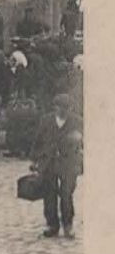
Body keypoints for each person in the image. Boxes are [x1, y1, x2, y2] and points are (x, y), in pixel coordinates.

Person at [33, 93, 82, 239]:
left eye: (65, 108)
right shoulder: (46, 120)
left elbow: (84, 140)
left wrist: (78, 140)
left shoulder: (77, 121)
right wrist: (34, 159)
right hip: (50, 162)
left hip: (68, 163)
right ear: (55, 107)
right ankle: (52, 224)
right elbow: (38, 140)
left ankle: (68, 225)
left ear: (70, 109)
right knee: (49, 193)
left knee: (66, 194)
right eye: (59, 107)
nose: (62, 111)